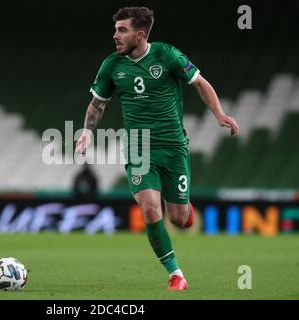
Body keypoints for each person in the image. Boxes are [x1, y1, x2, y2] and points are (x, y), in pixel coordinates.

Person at [75, 7, 239, 290]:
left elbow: (199, 82)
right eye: (115, 30)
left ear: (140, 35)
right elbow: (97, 104)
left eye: (122, 30)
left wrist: (219, 114)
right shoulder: (112, 66)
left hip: (173, 146)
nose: (115, 35)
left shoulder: (167, 55)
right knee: (150, 210)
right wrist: (86, 132)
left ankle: (183, 208)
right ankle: (176, 274)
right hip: (138, 147)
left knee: (178, 218)